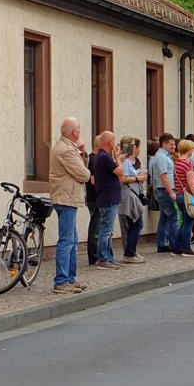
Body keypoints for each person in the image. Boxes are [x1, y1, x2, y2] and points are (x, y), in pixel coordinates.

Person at [49, 117, 91, 294]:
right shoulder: (66, 150)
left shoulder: (69, 148)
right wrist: (83, 160)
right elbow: (84, 174)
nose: (80, 132)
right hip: (66, 199)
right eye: (79, 129)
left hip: (68, 198)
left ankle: (70, 279)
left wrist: (83, 152)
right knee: (66, 241)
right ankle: (61, 281)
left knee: (72, 240)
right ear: (75, 132)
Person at [94, 131, 124, 270]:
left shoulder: (104, 156)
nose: (115, 143)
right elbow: (120, 171)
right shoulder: (103, 157)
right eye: (114, 140)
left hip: (109, 197)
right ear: (109, 142)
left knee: (108, 230)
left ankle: (109, 257)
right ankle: (103, 258)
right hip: (108, 198)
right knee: (105, 230)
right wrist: (117, 158)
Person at [118, 136, 147, 264]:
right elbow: (123, 179)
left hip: (132, 195)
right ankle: (129, 253)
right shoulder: (123, 161)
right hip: (127, 196)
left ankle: (132, 251)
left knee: (136, 223)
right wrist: (138, 178)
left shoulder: (127, 161)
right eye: (132, 145)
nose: (134, 148)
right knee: (135, 224)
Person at [174, 138, 194, 256]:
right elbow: (191, 183)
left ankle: (177, 247)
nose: (193, 150)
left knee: (183, 222)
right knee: (189, 223)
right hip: (189, 196)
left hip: (180, 195)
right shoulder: (187, 164)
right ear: (188, 149)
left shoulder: (177, 163)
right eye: (192, 148)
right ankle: (186, 248)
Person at [152, 133, 179, 253]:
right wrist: (171, 192)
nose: (174, 146)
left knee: (164, 218)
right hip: (164, 190)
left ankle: (162, 243)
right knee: (173, 217)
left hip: (163, 190)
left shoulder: (164, 155)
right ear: (164, 144)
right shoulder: (162, 157)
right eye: (171, 144)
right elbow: (164, 176)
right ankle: (174, 245)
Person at [85, 135, 101, 267]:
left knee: (96, 227)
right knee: (96, 228)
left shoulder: (90, 158)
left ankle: (95, 255)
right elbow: (93, 180)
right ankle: (94, 257)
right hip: (96, 197)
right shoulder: (95, 159)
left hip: (92, 197)